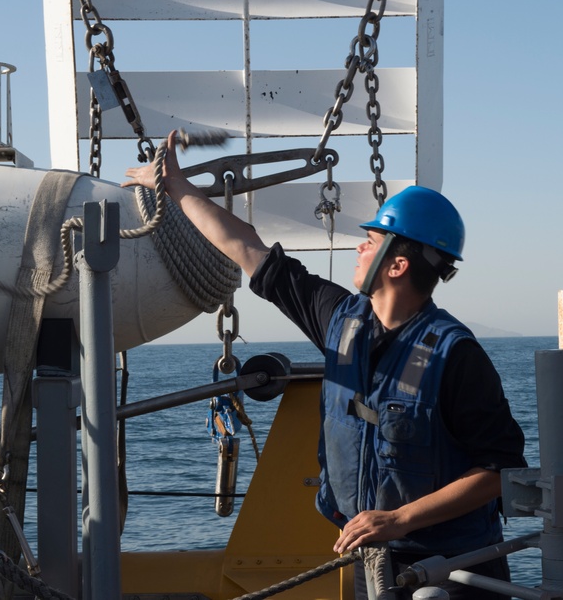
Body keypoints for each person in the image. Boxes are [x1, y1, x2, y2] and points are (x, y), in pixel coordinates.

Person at [124, 131, 527, 600]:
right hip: (370, 556)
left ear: (397, 264)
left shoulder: (455, 356)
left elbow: (498, 471)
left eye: (371, 240)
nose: (359, 248)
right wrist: (175, 187)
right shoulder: (339, 321)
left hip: (455, 569)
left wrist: (398, 519)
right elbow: (247, 248)